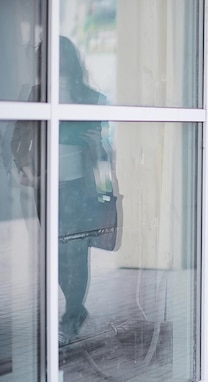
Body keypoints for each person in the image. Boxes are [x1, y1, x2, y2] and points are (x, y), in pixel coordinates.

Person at [11, 36, 115, 346]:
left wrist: (97, 144)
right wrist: (26, 169)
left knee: (76, 252)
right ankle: (76, 309)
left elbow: (103, 153)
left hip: (78, 186)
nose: (50, 62)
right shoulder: (36, 95)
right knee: (57, 253)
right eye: (45, 57)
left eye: (55, 56)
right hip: (47, 186)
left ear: (69, 58)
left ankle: (70, 317)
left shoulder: (92, 98)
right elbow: (19, 139)